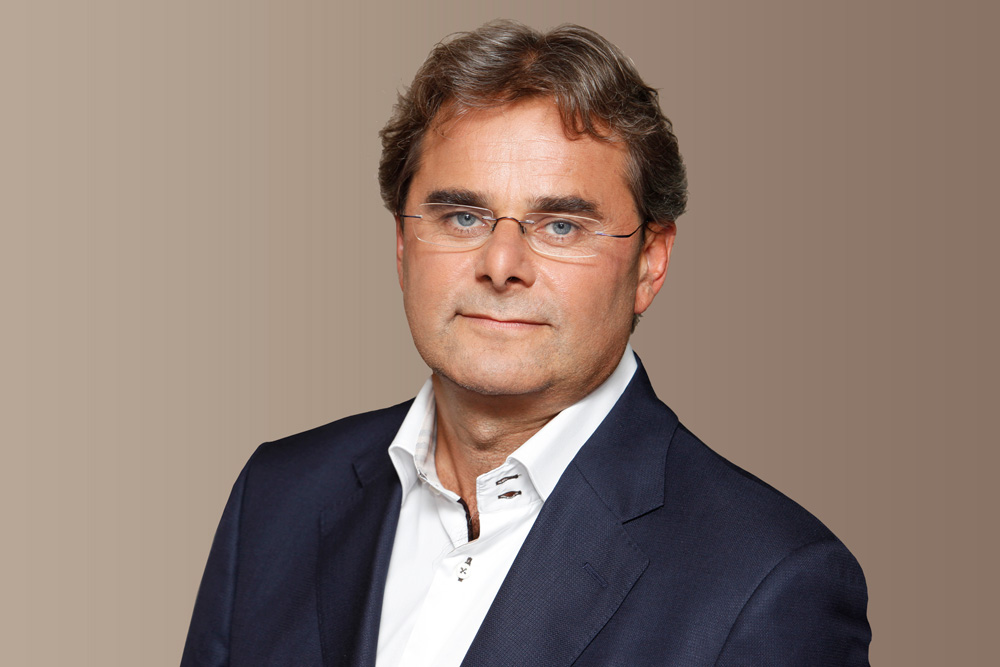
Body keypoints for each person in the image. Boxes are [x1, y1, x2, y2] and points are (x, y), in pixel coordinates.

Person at [181, 20, 871, 667]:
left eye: (561, 225)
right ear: (402, 244)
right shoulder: (276, 497)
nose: (501, 263)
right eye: (462, 216)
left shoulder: (770, 582)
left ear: (650, 262)